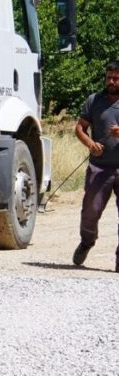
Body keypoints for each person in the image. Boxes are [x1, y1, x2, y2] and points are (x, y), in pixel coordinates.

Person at [72, 59, 119, 272]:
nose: (112, 81)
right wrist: (90, 143)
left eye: (116, 78)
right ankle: (87, 242)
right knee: (90, 210)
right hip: (99, 167)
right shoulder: (94, 100)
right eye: (109, 77)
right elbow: (80, 128)